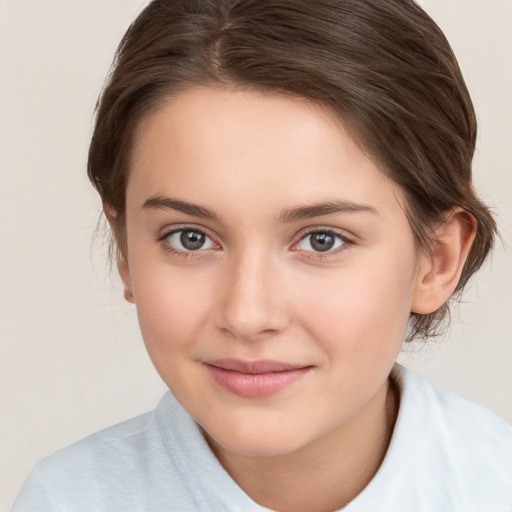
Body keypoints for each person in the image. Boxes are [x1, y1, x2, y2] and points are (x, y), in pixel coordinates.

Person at [12, 0, 512, 510]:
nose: (247, 315)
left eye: (322, 240)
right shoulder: (65, 499)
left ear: (438, 259)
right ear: (126, 251)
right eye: (190, 238)